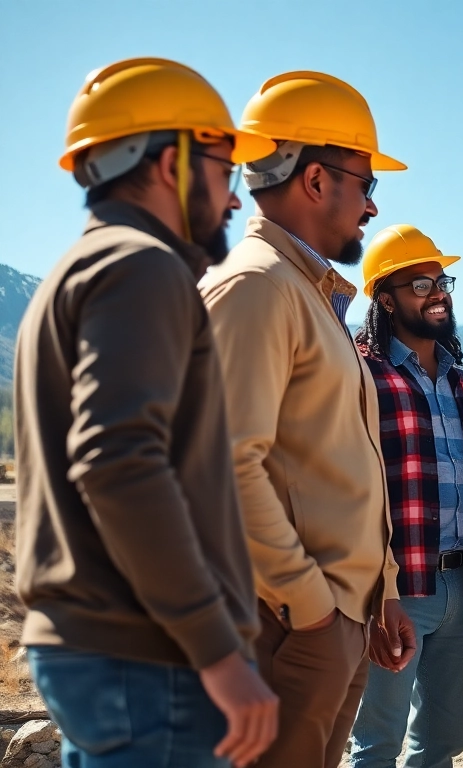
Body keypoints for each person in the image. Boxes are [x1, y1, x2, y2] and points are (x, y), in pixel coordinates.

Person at [15, 58, 278, 767]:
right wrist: (218, 651)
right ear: (171, 162)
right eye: (224, 169)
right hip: (151, 660)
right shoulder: (143, 267)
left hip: (107, 652)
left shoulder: (78, 271)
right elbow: (119, 461)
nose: (232, 199)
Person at [199, 71, 412, 768]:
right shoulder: (257, 289)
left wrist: (377, 592)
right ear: (317, 181)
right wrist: (311, 607)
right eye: (367, 183)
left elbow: (333, 462)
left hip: (333, 620)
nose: (373, 208)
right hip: (292, 629)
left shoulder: (306, 293)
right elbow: (225, 466)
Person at [347, 224, 463, 767]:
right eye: (420, 285)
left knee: (442, 743)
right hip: (395, 585)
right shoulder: (362, 371)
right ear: (384, 300)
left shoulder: (459, 380)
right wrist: (376, 589)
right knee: (377, 744)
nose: (438, 293)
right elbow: (348, 482)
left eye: (442, 281)